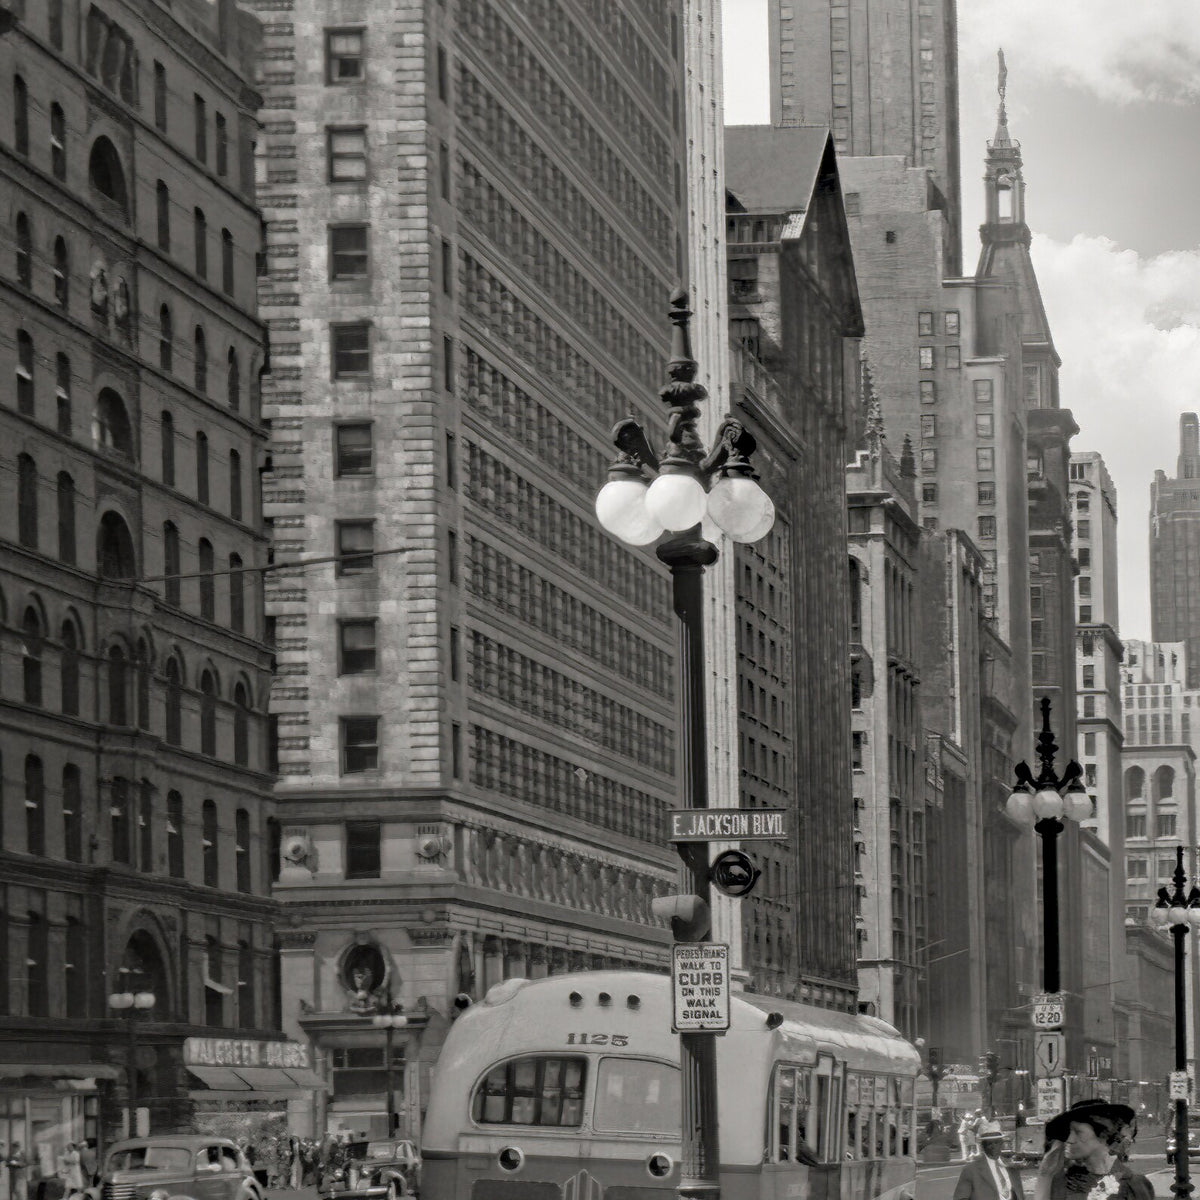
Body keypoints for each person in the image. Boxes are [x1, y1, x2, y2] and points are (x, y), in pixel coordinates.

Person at [1034, 1099, 1153, 1200]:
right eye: (1069, 1132)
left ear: (1102, 1135)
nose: (1070, 1139)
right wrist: (1045, 1174)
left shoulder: (1133, 1184)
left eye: (1078, 1132)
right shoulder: (1062, 1183)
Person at [954, 1121, 1025, 1200]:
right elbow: (960, 1198)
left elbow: (1020, 1196)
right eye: (989, 1143)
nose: (993, 1146)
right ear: (983, 1146)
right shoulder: (971, 1170)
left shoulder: (1011, 1167)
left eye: (996, 1142)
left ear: (1001, 1143)